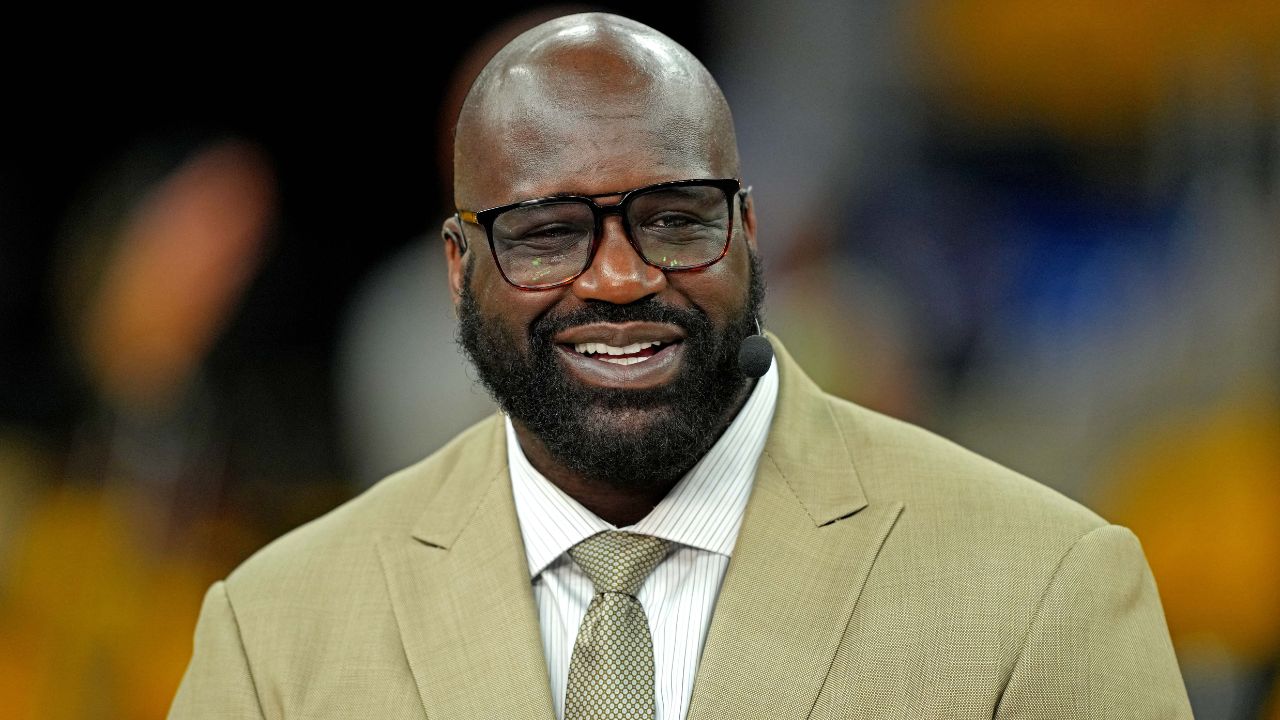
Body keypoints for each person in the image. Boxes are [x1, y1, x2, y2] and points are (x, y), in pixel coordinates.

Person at [169, 12, 1193, 719]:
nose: (619, 277)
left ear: (748, 231)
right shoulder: (275, 637)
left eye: (673, 219)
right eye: (546, 231)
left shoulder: (1043, 590)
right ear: (457, 267)